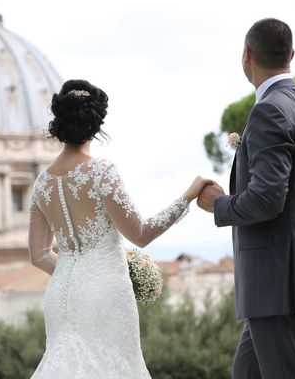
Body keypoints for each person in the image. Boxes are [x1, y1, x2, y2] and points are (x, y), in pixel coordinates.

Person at [28, 79, 212, 378]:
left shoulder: (42, 183)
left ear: (59, 123)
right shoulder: (101, 172)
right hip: (105, 294)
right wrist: (187, 196)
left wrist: (76, 272)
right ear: (96, 125)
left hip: (60, 295)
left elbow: (38, 255)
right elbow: (140, 233)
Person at [198, 18, 295, 378]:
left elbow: (266, 199)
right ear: (291, 54)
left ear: (247, 55)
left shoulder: (270, 110)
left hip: (275, 280)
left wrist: (218, 204)